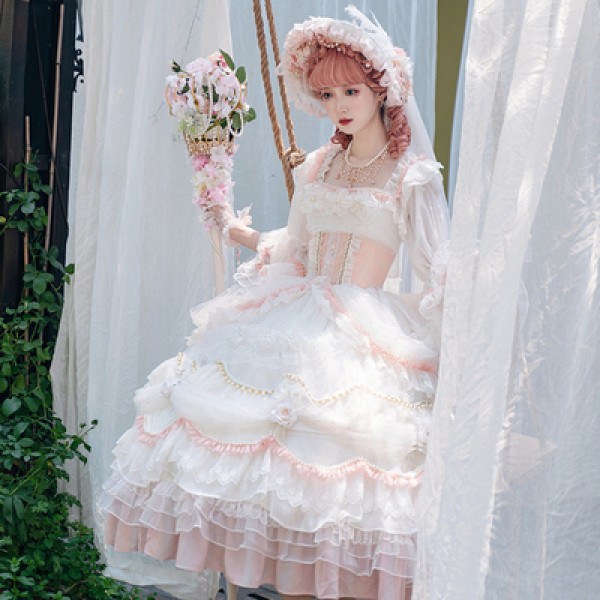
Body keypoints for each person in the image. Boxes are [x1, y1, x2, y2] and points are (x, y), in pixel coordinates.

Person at [99, 6, 449, 599]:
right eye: (327, 93)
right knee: (267, 481)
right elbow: (295, 247)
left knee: (338, 483)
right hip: (296, 314)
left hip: (364, 332)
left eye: (351, 90)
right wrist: (233, 227)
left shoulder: (409, 175)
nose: (339, 104)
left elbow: (439, 267)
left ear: (381, 89)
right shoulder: (317, 166)